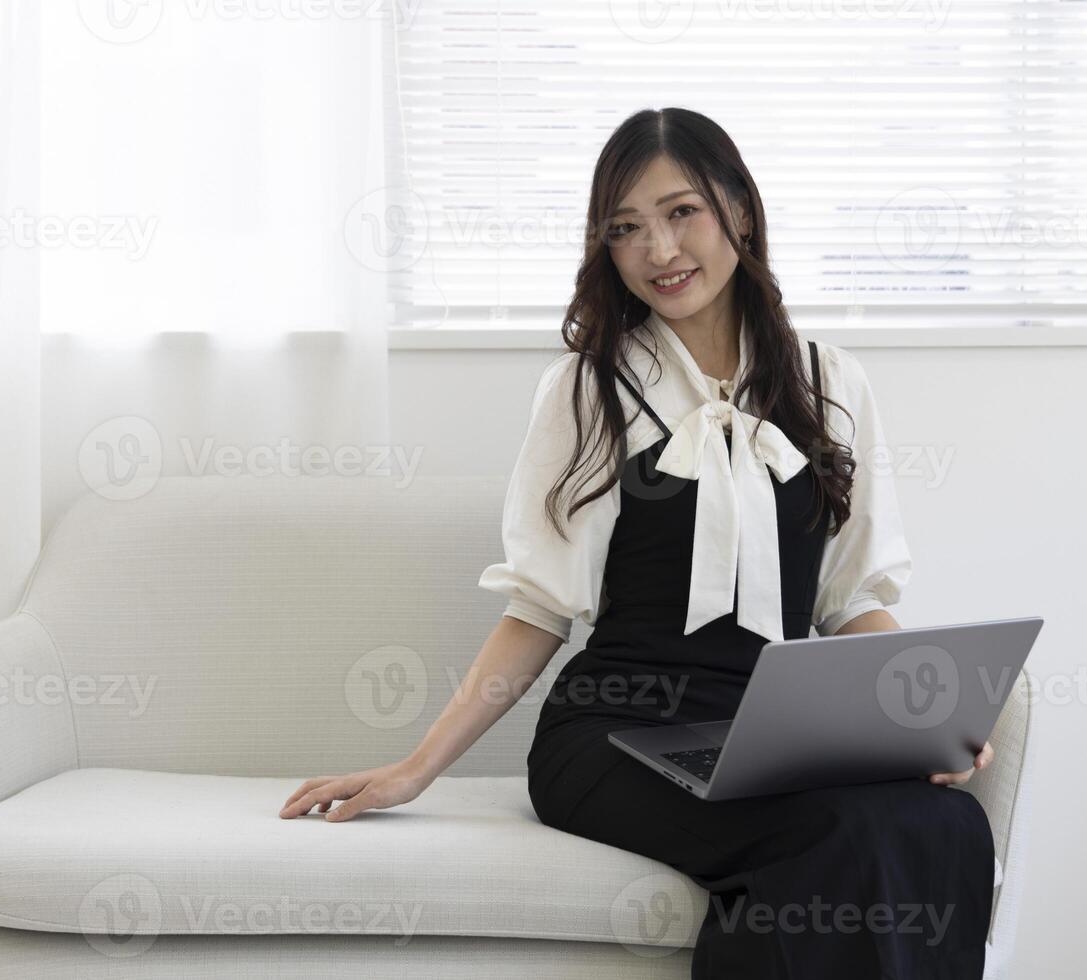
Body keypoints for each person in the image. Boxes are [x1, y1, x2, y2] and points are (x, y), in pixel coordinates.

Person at [278, 106, 997, 978]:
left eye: (681, 212)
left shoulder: (830, 380)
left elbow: (851, 600)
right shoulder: (590, 387)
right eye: (626, 229)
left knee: (946, 823)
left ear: (738, 206)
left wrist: (919, 721)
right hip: (615, 734)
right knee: (838, 830)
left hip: (772, 734)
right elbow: (540, 608)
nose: (659, 251)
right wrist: (416, 767)